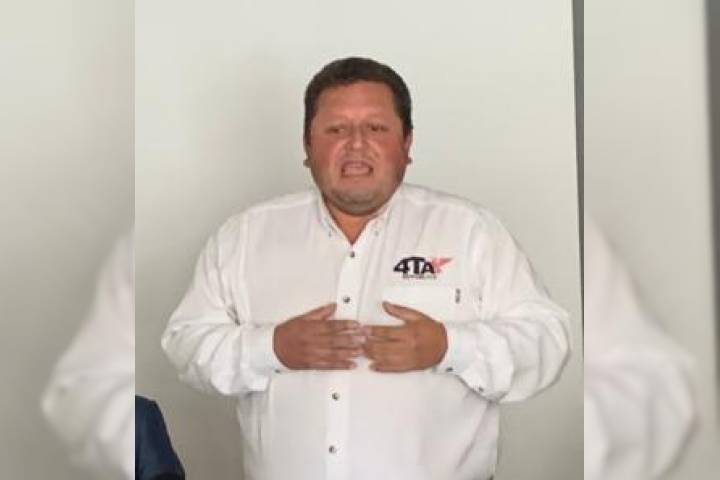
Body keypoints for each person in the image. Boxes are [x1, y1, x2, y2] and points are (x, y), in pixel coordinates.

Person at [162, 57, 570, 480]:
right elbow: (186, 343)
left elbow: (548, 341)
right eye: (336, 129)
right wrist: (271, 348)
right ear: (307, 146)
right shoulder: (245, 236)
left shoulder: (470, 232)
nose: (356, 144)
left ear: (407, 143)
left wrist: (450, 347)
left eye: (376, 128)